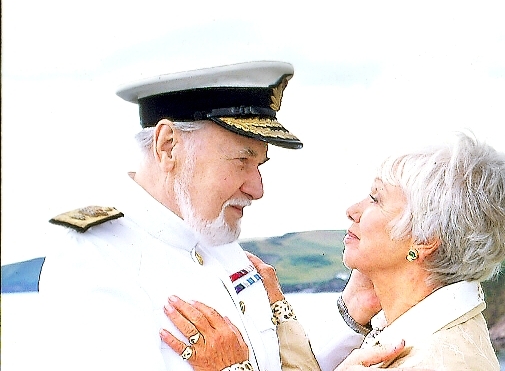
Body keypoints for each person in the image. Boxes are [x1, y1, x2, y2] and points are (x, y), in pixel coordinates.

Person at [35, 61, 366, 371]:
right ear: (168, 146)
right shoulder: (95, 257)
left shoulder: (217, 241)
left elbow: (279, 364)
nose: (257, 189)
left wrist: (353, 312)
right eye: (241, 161)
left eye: (258, 165)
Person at [162, 132, 505, 370]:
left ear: (424, 239)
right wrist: (282, 313)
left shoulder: (435, 361)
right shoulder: (420, 326)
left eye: (376, 199)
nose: (353, 210)